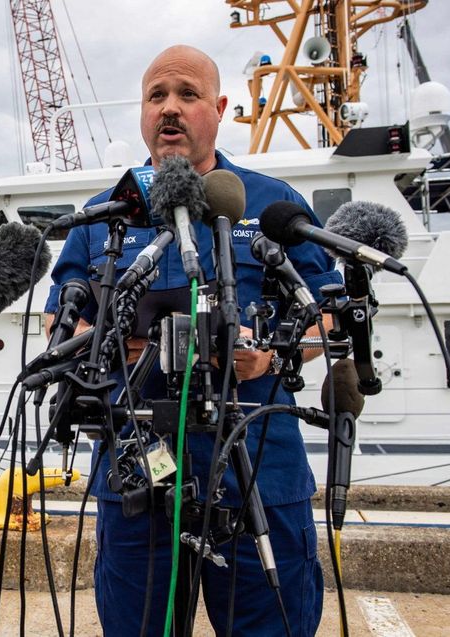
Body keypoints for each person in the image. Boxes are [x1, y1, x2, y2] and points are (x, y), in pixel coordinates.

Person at [44, 45, 342, 636]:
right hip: (139, 466)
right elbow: (63, 318)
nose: (170, 110)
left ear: (220, 108)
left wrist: (272, 355)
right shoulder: (107, 216)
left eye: (187, 94)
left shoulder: (272, 204)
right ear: (142, 112)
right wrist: (101, 343)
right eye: (157, 96)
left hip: (257, 463)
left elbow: (329, 315)